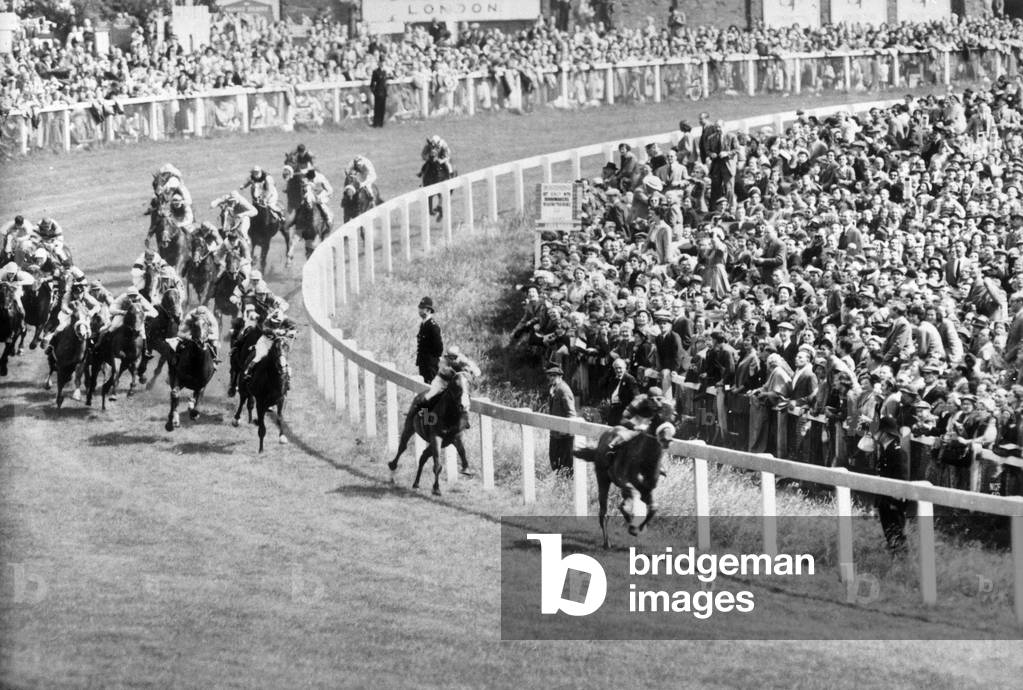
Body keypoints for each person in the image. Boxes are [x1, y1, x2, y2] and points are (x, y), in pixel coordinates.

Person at [605, 386, 673, 485]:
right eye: (652, 401)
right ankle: (612, 453)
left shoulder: (663, 404)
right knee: (628, 436)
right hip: (635, 420)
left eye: (659, 400)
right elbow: (623, 419)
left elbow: (667, 420)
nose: (656, 404)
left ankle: (658, 465)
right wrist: (636, 426)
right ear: (647, 399)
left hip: (649, 424)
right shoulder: (639, 401)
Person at [416, 345, 480, 430]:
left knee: (463, 398)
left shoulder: (463, 360)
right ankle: (424, 413)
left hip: (455, 383)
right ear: (447, 356)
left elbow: (477, 371)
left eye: (454, 357)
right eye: (450, 357)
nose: (452, 359)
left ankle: (464, 419)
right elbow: (445, 372)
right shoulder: (443, 361)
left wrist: (472, 371)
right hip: (442, 381)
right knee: (431, 395)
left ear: (458, 356)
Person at [874, 415, 908, 554]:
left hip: (893, 499)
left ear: (885, 433)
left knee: (895, 531)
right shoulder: (886, 449)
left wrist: (895, 499)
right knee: (889, 532)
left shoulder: (896, 451)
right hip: (885, 498)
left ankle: (901, 559)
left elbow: (900, 477)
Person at [245, 309, 297, 383]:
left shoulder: (286, 320)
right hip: (265, 341)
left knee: (282, 358)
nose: (275, 324)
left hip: (278, 342)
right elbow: (265, 329)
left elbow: (294, 326)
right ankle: (248, 371)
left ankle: (287, 378)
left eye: (277, 323)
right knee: (261, 355)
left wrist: (292, 332)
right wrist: (275, 331)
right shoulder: (268, 320)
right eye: (273, 322)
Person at [545, 365, 577, 472]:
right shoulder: (553, 388)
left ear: (560, 377)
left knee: (566, 464)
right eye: (550, 375)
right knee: (554, 460)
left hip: (564, 435)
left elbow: (571, 413)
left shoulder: (564, 390)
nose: (551, 378)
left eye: (554, 376)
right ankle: (558, 484)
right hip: (554, 432)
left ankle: (567, 486)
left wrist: (566, 431)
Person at [416, 296, 443, 383]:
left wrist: (431, 361)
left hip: (431, 366)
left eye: (422, 308)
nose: (420, 311)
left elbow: (439, 349)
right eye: (420, 308)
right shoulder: (423, 325)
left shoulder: (433, 326)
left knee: (431, 389)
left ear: (428, 310)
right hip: (423, 364)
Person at [369, 54, 389, 128]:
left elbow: (385, 83)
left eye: (383, 62)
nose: (382, 63)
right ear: (379, 63)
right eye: (381, 62)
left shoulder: (384, 72)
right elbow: (372, 83)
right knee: (377, 108)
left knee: (382, 108)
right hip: (378, 92)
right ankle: (375, 122)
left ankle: (381, 123)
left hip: (383, 92)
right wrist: (374, 92)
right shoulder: (376, 72)